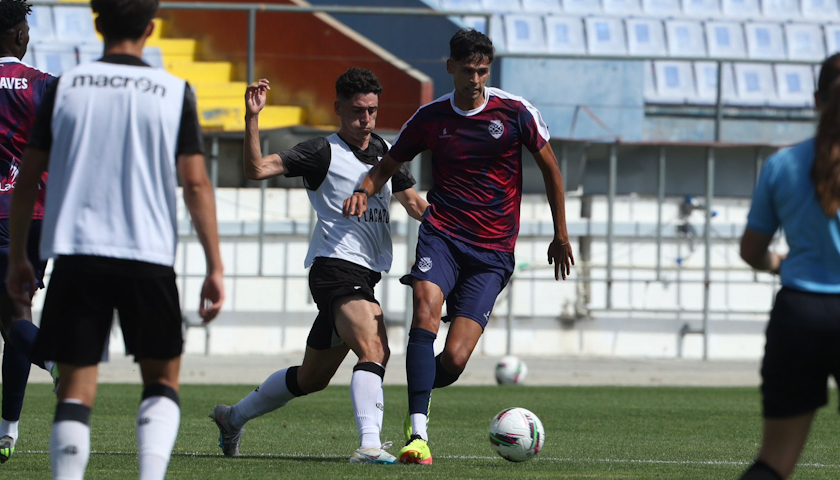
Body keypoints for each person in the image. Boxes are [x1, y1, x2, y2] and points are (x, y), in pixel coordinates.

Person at [5, 0, 225, 479]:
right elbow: (194, 184)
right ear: (151, 28)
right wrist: (214, 265)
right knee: (162, 382)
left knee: (76, 388)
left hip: (78, 257)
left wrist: (21, 253)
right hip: (147, 257)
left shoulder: (66, 87)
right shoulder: (173, 90)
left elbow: (29, 176)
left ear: (97, 24)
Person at [343, 28, 574, 464]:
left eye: (483, 71)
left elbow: (552, 170)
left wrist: (560, 234)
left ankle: (420, 387)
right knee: (424, 310)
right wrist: (364, 188)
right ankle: (418, 435)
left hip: (493, 251)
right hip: (443, 234)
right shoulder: (430, 118)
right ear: (450, 67)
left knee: (455, 355)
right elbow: (388, 164)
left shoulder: (515, 112)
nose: (476, 79)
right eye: (468, 70)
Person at [209, 67, 428, 464]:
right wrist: (252, 118)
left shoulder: (384, 152)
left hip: (364, 275)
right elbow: (256, 170)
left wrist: (465, 231)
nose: (366, 119)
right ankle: (369, 445)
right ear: (338, 109)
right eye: (358, 111)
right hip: (335, 269)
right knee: (375, 347)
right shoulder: (320, 152)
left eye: (373, 111)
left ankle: (232, 417)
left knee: (312, 378)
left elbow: (416, 206)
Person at [737, 53, 840, 480]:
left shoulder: (782, 165)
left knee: (773, 464)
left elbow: (752, 250)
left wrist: (779, 262)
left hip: (798, 314)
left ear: (817, 100)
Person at [0, 0, 59, 464]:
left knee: (11, 318)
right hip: (34, 215)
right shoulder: (46, 86)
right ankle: (8, 429)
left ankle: (56, 360)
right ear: (20, 37)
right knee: (17, 312)